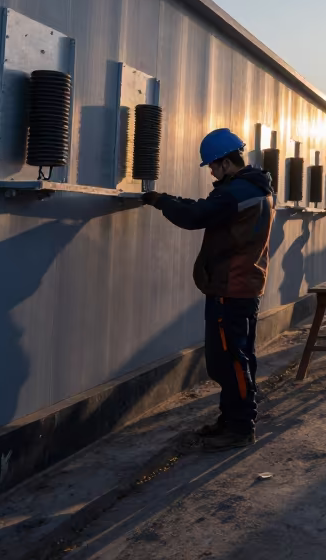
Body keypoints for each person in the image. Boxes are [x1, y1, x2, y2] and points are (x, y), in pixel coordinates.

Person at [141, 128, 275, 451]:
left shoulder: (236, 192)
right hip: (241, 287)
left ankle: (241, 427)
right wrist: (173, 200)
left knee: (229, 361)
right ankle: (230, 420)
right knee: (234, 358)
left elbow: (195, 215)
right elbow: (208, 208)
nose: (211, 173)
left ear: (226, 162)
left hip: (231, 289)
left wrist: (160, 201)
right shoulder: (253, 188)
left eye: (213, 166)